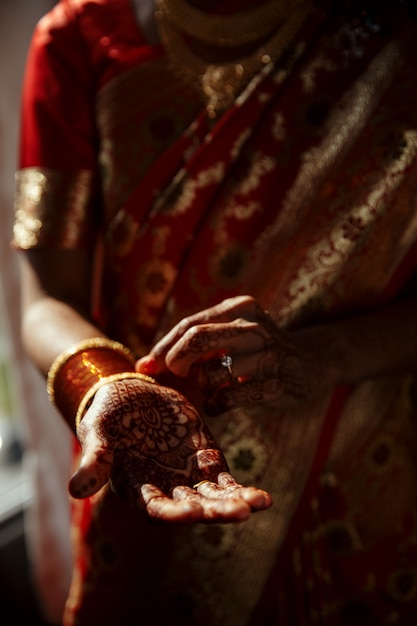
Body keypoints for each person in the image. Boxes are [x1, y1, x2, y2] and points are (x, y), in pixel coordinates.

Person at [11, 0, 417, 623]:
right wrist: (104, 386)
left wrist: (317, 357)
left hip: (370, 471)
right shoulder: (80, 37)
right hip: (150, 466)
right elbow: (46, 298)